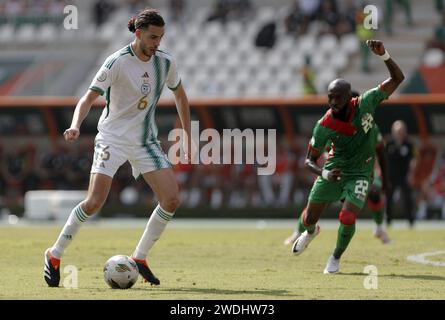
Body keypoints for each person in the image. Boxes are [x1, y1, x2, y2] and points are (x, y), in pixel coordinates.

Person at [43, 8, 192, 287]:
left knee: (171, 199)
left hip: (145, 141)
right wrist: (75, 125)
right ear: (138, 33)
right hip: (112, 138)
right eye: (152, 37)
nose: (157, 42)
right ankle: (54, 254)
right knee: (94, 202)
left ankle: (140, 257)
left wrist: (187, 134)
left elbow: (181, 97)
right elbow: (87, 99)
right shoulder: (117, 62)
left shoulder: (165, 63)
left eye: (160, 37)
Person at [288, 39, 404, 274]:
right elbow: (308, 160)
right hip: (334, 171)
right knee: (309, 217)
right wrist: (324, 172)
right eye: (329, 97)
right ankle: (310, 232)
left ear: (348, 97)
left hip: (361, 172)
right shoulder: (324, 125)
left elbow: (397, 79)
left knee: (348, 216)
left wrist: (384, 56)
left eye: (336, 98)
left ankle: (335, 258)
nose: (332, 102)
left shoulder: (366, 102)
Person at [283, 123, 392, 246]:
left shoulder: (368, 126)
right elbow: (324, 151)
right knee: (317, 205)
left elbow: (377, 150)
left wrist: (378, 170)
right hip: (338, 171)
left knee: (375, 192)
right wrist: (330, 163)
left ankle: (379, 228)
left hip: (362, 172)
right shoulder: (336, 126)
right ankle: (298, 232)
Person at [385, 120, 415, 227]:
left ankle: (411, 220)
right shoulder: (388, 143)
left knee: (408, 198)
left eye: (401, 130)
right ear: (393, 131)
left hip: (404, 175)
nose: (399, 133)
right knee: (389, 198)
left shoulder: (409, 144)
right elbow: (383, 159)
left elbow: (412, 160)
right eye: (397, 131)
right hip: (391, 175)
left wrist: (411, 174)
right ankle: (388, 220)